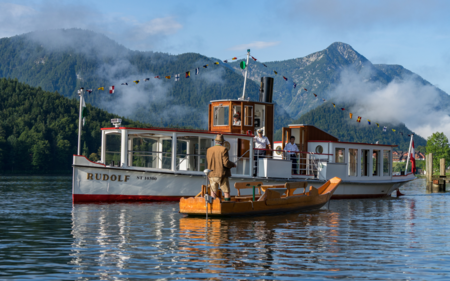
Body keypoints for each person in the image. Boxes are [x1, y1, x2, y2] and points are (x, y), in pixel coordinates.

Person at [206, 134, 236, 201]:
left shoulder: (209, 150)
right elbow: (226, 163)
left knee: (213, 192)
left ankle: (213, 207)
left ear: (215, 141)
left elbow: (208, 162)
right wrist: (233, 164)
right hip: (222, 174)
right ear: (222, 142)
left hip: (211, 174)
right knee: (226, 192)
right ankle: (227, 206)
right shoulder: (224, 149)